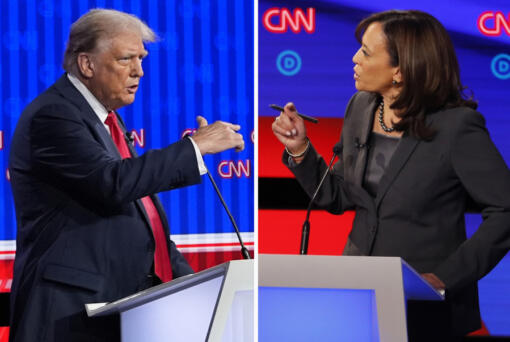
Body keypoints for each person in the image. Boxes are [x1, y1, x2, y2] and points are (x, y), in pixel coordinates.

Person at [272, 9, 510, 341]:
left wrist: (445, 276)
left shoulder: (456, 127)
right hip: (359, 295)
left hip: (425, 305)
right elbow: (337, 196)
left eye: (366, 52)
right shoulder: (360, 106)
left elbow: (505, 211)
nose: (354, 58)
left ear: (399, 70)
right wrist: (300, 149)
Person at [9, 9, 244, 342]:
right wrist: (195, 148)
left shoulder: (108, 120)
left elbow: (142, 220)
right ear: (87, 64)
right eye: (125, 59)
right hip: (69, 316)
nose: (139, 71)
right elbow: (112, 183)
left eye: (141, 59)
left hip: (120, 310)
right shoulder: (54, 114)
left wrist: (196, 290)